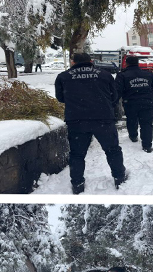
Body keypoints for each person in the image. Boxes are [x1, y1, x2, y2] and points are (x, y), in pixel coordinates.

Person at [54, 53, 128, 194]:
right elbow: (115, 95)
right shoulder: (104, 75)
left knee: (77, 154)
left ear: (73, 62)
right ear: (91, 61)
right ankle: (119, 177)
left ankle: (77, 183)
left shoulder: (63, 76)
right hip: (103, 119)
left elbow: (60, 97)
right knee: (112, 150)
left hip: (77, 120)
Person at [116, 56, 153, 153]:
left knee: (131, 120)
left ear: (126, 63)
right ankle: (147, 146)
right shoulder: (148, 74)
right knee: (147, 123)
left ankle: (133, 136)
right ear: (138, 63)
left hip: (130, 103)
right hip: (147, 103)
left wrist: (112, 103)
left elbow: (117, 91)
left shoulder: (122, 75)